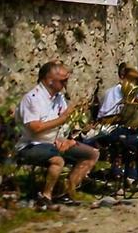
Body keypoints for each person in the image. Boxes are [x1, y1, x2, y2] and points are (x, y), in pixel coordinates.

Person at [16, 61, 100, 208]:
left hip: (53, 141)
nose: (66, 84)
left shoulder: (59, 98)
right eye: (63, 80)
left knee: (92, 154)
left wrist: (66, 139)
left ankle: (68, 192)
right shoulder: (33, 98)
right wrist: (62, 119)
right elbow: (36, 128)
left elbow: (65, 124)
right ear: (49, 80)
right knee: (57, 160)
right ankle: (46, 196)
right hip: (31, 144)